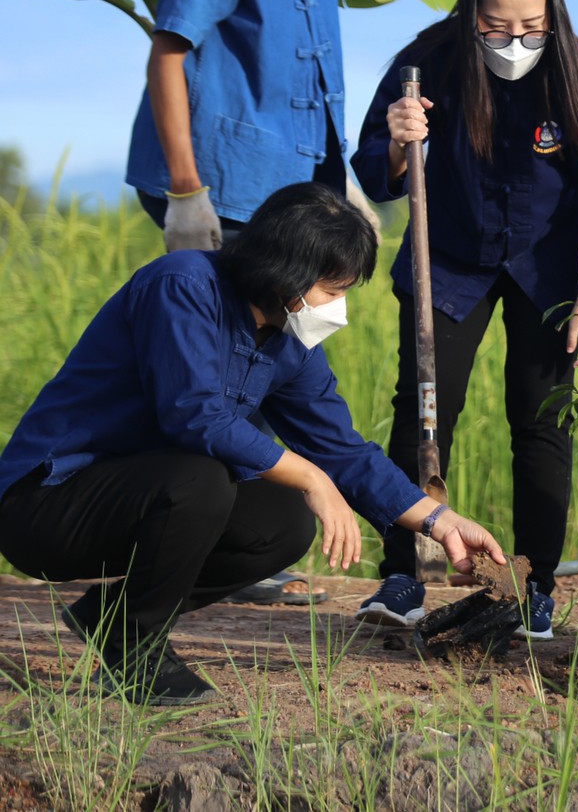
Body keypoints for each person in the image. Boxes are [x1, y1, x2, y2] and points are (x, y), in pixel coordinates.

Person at [0, 184, 507, 706]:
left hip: (147, 499)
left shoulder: (292, 343)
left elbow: (344, 451)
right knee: (202, 479)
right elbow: (194, 415)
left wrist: (441, 522)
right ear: (287, 274)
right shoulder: (182, 286)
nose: (339, 308)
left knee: (282, 523)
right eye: (332, 290)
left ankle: (116, 617)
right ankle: (135, 648)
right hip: (49, 505)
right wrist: (310, 476)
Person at [122, 0, 383, 606]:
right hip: (226, 185)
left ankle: (249, 532)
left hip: (292, 185)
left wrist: (342, 184)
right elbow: (170, 53)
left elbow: (316, 70)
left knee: (274, 361)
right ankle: (214, 535)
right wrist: (185, 189)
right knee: (223, 367)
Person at [350, 0, 578, 640]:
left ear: (552, 14)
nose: (514, 43)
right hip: (448, 260)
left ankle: (535, 587)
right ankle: (403, 575)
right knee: (424, 413)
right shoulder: (426, 65)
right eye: (495, 27)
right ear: (469, 11)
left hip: (548, 265)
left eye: (531, 28)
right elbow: (375, 174)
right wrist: (398, 140)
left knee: (541, 421)